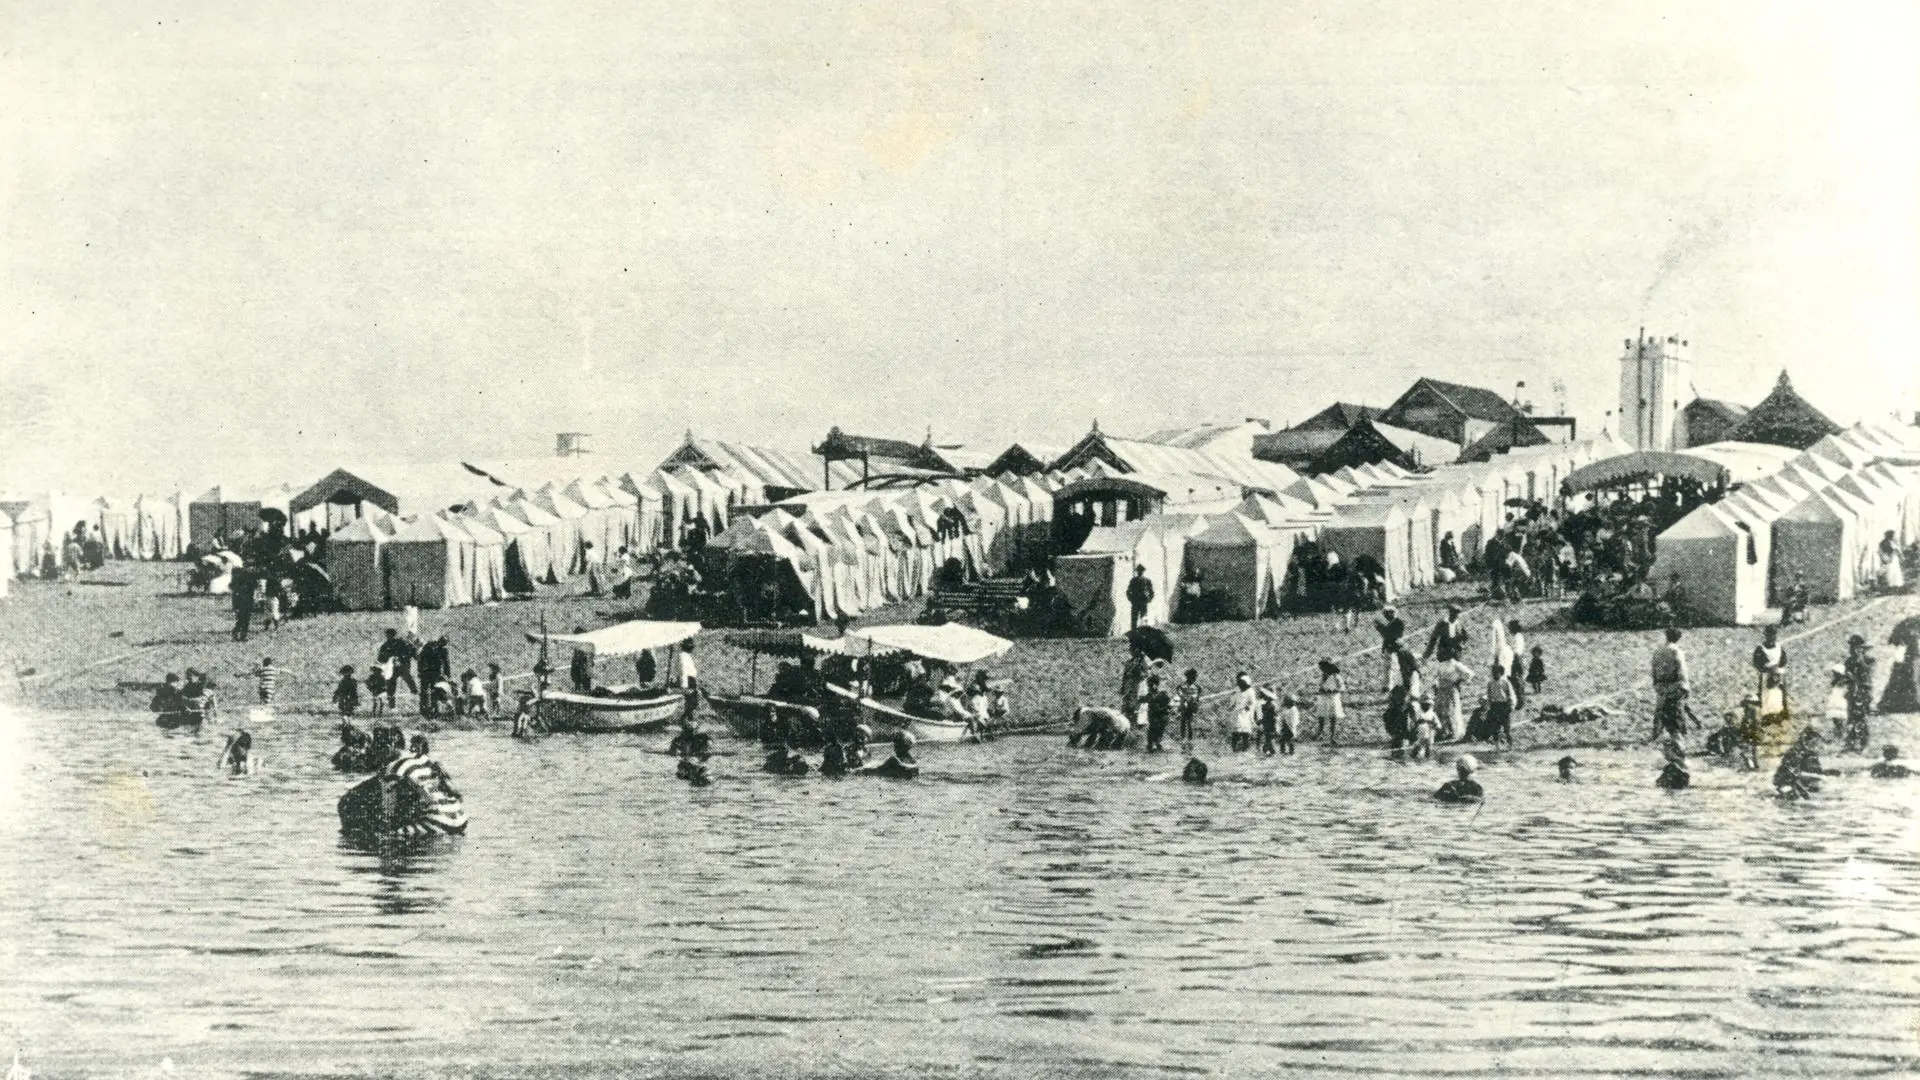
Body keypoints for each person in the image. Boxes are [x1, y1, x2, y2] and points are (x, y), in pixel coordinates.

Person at [1650, 628, 1690, 742]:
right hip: (1675, 685)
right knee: (1677, 710)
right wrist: (1685, 687)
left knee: (1660, 709)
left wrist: (1656, 683)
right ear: (1678, 638)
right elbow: (1682, 670)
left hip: (1661, 685)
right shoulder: (1677, 651)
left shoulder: (1658, 651)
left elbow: (1653, 668)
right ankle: (1679, 735)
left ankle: (1656, 733)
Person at [1774, 727, 1836, 799]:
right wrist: (1820, 776)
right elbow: (1796, 773)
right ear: (1807, 742)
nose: (1817, 746)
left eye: (1817, 743)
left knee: (1816, 790)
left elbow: (1815, 771)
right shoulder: (1795, 753)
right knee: (1794, 796)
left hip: (1801, 782)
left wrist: (1828, 773)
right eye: (1814, 743)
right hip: (1787, 781)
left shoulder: (1811, 754)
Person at [1844, 635, 1876, 753]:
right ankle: (1851, 743)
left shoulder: (1867, 660)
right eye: (1851, 647)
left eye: (1854, 647)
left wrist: (1860, 658)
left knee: (1861, 717)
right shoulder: (1849, 661)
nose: (1852, 649)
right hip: (1852, 691)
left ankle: (1863, 743)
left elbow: (1867, 673)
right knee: (1851, 717)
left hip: (1862, 692)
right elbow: (1846, 674)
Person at [1430, 656, 1471, 742]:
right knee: (1441, 710)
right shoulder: (1441, 664)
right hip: (1441, 690)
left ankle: (1453, 732)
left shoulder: (1455, 664)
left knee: (1451, 710)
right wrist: (1435, 685)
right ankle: (1442, 732)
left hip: (1451, 689)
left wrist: (1459, 680)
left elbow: (1469, 674)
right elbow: (1435, 676)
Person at [377, 629, 419, 708]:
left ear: (394, 635)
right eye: (388, 635)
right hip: (391, 668)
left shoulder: (401, 643)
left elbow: (411, 650)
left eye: (391, 635)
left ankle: (414, 691)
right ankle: (392, 706)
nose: (389, 637)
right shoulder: (385, 646)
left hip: (402, 665)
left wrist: (413, 655)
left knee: (407, 676)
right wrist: (387, 658)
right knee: (390, 686)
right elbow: (380, 659)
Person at [1751, 625, 1788, 714]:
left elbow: (1784, 659)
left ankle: (1782, 710)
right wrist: (1765, 669)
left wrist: (1778, 667)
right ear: (1766, 636)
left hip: (1778, 672)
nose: (1771, 638)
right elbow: (1756, 662)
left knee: (1780, 692)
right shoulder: (1761, 649)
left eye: (1773, 636)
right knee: (1765, 693)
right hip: (1766, 673)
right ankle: (1765, 711)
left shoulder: (1779, 647)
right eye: (1769, 636)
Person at [1067, 706, 1131, 750]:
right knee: (1115, 747)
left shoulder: (1086, 713)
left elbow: (1080, 729)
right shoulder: (1097, 711)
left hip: (1114, 725)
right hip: (1126, 725)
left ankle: (1103, 745)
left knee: (1100, 745)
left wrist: (1074, 737)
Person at [1374, 606, 1406, 691]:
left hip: (1394, 647)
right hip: (1390, 647)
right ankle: (1389, 685)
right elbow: (1386, 635)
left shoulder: (1398, 622)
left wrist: (1379, 627)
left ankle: (1391, 686)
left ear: (1391, 613)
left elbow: (1388, 634)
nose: (1385, 616)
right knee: (1388, 667)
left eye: (1386, 614)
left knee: (1392, 667)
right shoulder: (1392, 622)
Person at [1483, 663, 1516, 747]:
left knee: (1506, 727)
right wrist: (1487, 707)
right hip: (1495, 706)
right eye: (1493, 672)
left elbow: (1510, 694)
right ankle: (1497, 746)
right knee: (1495, 727)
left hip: (1504, 706)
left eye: (1497, 672)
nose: (1494, 674)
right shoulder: (1490, 683)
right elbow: (1489, 695)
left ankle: (1510, 745)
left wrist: (1511, 705)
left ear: (1501, 673)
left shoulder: (1505, 682)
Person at [1315, 659, 1345, 746]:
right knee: (1321, 716)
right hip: (1323, 698)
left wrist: (1333, 691)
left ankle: (1332, 737)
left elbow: (1342, 687)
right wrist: (1321, 690)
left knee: (1333, 718)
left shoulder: (1336, 676)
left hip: (1333, 698)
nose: (1321, 670)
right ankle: (1320, 733)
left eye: (1322, 668)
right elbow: (1321, 686)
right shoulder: (1323, 676)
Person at [1119, 647, 1149, 725]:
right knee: (1128, 701)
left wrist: (1139, 671)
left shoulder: (1143, 663)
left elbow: (1146, 675)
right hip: (1129, 684)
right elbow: (1125, 674)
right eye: (1132, 651)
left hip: (1139, 685)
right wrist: (1123, 686)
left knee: (1138, 702)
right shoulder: (1129, 662)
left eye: (1134, 651)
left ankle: (1139, 721)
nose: (1132, 653)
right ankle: (1127, 719)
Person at [1143, 674, 1172, 752]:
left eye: (1150, 685)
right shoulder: (1150, 694)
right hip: (1153, 714)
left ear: (1155, 685)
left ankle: (1156, 743)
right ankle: (1151, 744)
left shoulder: (1162, 694)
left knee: (1159, 729)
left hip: (1160, 714)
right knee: (1152, 728)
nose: (1149, 687)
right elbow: (1144, 700)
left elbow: (1168, 703)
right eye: (1149, 685)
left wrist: (1166, 708)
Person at [1230, 673, 1256, 752]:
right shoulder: (1237, 691)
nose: (1239, 684)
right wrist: (1232, 706)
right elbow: (1233, 701)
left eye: (1241, 683)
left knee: (1245, 732)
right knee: (1236, 732)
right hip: (1237, 713)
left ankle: (1245, 748)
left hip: (1245, 714)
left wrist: (1248, 707)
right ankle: (1235, 748)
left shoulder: (1250, 691)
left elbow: (1253, 702)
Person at [1504, 621, 1528, 708]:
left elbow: (1517, 651)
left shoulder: (1518, 637)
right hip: (1511, 659)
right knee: (1512, 680)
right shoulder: (1512, 636)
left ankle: (1520, 702)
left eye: (1510, 627)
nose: (1509, 629)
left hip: (1516, 659)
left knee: (1517, 681)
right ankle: (1514, 700)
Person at [1176, 668, 1202, 744]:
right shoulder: (1182, 685)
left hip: (1192, 706)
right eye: (1192, 677)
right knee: (1183, 721)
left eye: (1194, 677)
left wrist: (1194, 699)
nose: (1193, 679)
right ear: (1188, 677)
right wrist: (1183, 697)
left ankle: (1190, 738)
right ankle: (1183, 737)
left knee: (1190, 722)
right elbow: (1178, 690)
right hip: (1184, 706)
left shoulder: (1196, 687)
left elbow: (1198, 695)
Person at [1824, 663, 1850, 742]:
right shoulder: (1834, 682)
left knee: (1839, 720)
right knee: (1835, 719)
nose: (1834, 675)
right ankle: (1838, 734)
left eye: (1836, 673)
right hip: (1834, 702)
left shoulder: (1844, 682)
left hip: (1839, 702)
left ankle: (1840, 734)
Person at [1126, 564, 1155, 630]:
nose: (1140, 572)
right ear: (1137, 571)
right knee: (1134, 618)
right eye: (1139, 571)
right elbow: (1128, 591)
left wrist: (1149, 599)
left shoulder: (1147, 580)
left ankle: (1143, 632)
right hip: (1135, 601)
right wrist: (1131, 599)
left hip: (1143, 601)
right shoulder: (1133, 580)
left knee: (1144, 617)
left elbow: (1151, 591)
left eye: (1141, 571)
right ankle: (1134, 633)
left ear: (1143, 571)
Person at [1408, 693, 1436, 760]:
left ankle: (1428, 757)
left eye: (1429, 704)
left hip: (1430, 732)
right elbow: (1414, 723)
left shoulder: (1432, 713)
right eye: (1425, 704)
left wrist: (1433, 724)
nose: (1427, 706)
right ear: (1421, 704)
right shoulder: (1418, 712)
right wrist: (1420, 722)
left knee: (1429, 746)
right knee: (1419, 745)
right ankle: (1412, 756)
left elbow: (1437, 724)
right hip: (1420, 732)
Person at [229, 569, 256, 642]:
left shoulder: (249, 586)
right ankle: (237, 633)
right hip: (242, 604)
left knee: (245, 621)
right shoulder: (238, 588)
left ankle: (242, 636)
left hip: (247, 603)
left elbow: (252, 594)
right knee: (242, 620)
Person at [1256, 688, 1279, 755]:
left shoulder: (1264, 706)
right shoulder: (1272, 706)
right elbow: (1275, 715)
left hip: (1267, 723)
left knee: (1268, 737)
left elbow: (1265, 716)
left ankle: (1268, 749)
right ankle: (1269, 749)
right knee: (1270, 737)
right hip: (1270, 723)